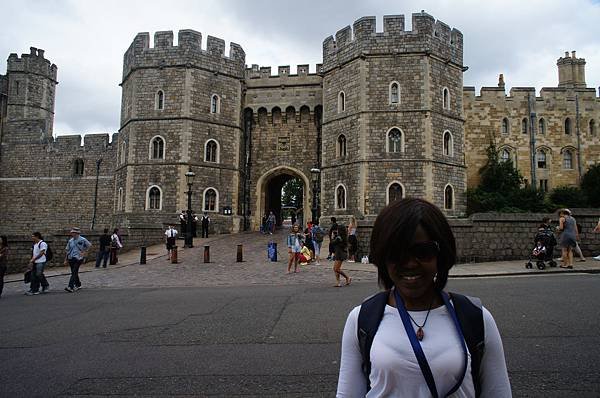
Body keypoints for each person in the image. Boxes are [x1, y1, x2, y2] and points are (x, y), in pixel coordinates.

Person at [336, 198, 511, 397]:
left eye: (423, 252)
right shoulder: (362, 320)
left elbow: (499, 392)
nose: (410, 263)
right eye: (396, 253)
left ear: (441, 254)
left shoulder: (476, 318)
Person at [64, 227, 91, 293]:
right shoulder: (70, 241)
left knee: (74, 272)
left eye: (73, 232)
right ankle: (78, 284)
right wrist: (65, 259)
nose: (72, 234)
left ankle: (70, 286)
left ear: (77, 233)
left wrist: (84, 253)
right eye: (72, 232)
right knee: (74, 272)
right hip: (71, 257)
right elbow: (67, 250)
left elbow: (89, 245)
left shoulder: (83, 240)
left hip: (78, 258)